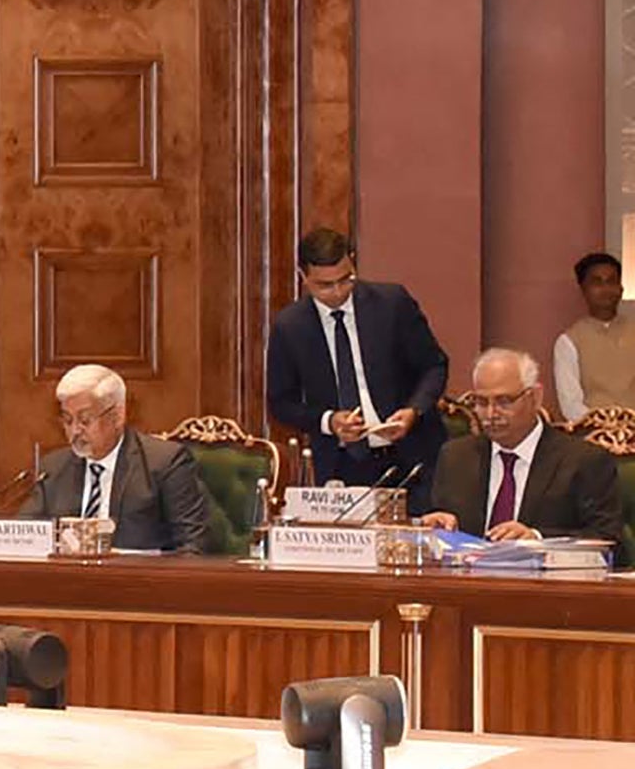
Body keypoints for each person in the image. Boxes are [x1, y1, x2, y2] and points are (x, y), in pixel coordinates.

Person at [264, 227, 447, 490]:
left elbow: (434, 366)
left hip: (413, 457)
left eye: (346, 279)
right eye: (325, 285)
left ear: (352, 260)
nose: (338, 292)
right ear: (303, 276)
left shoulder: (392, 303)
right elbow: (281, 403)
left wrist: (413, 410)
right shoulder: (290, 326)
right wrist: (329, 421)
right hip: (342, 466)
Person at [412, 346, 625, 548]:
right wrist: (437, 525)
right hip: (470, 582)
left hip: (545, 583)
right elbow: (441, 528)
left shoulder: (584, 460)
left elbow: (609, 539)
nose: (491, 414)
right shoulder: (456, 456)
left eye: (504, 401)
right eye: (482, 402)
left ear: (535, 397)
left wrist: (537, 539)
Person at [34, 363, 214, 554]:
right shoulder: (53, 468)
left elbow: (194, 546)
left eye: (85, 420)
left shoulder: (165, 463)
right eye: (68, 420)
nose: (75, 431)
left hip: (139, 581)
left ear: (117, 416)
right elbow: (27, 538)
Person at [557, 251, 635, 419]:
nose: (606, 289)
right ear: (583, 289)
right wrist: (606, 429)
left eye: (611, 281)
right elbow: (570, 404)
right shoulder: (568, 341)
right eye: (597, 282)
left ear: (621, 288)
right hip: (591, 436)